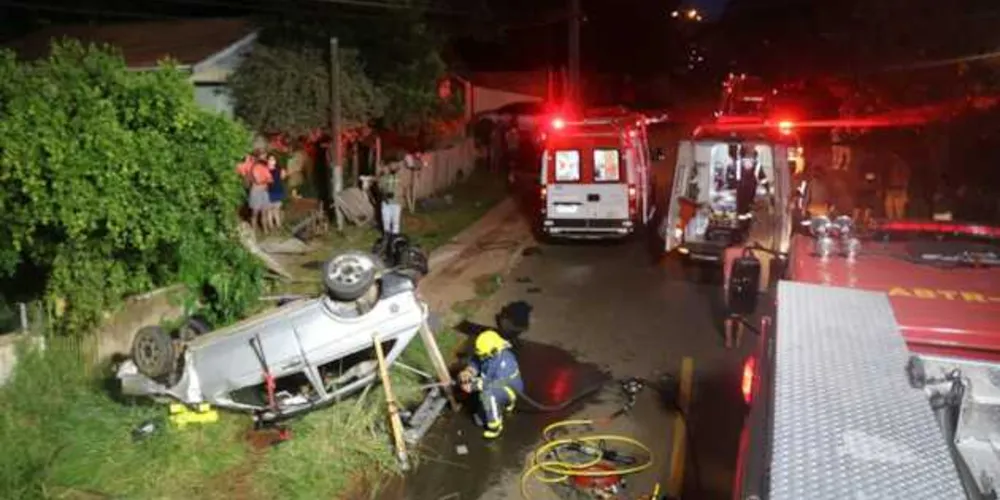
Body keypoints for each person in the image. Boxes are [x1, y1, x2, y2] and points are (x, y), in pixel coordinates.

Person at [458, 330, 524, 439]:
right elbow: (476, 362)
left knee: (487, 396)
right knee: (480, 418)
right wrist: (468, 372)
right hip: (492, 384)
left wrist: (473, 386)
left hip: (510, 388)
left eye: (483, 355)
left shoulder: (507, 362)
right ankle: (506, 405)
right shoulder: (486, 353)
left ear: (493, 351)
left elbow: (496, 383)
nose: (481, 357)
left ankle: (495, 427)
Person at [246, 158, 272, 233]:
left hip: (264, 191)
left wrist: (266, 180)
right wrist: (266, 180)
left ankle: (265, 229)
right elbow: (258, 181)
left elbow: (270, 179)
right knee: (255, 212)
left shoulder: (265, 168)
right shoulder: (255, 168)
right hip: (256, 192)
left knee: (264, 211)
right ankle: (253, 230)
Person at [377, 162, 402, 236]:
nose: (393, 167)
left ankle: (395, 235)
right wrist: (385, 194)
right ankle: (387, 235)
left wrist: (398, 194)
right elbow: (380, 188)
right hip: (386, 203)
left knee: (395, 220)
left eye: (395, 166)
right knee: (386, 220)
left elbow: (402, 187)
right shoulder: (384, 177)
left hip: (397, 202)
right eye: (391, 166)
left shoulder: (400, 177)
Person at [265, 154, 285, 233]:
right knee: (269, 210)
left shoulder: (279, 170)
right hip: (269, 192)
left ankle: (278, 225)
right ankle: (271, 226)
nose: (272, 161)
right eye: (270, 159)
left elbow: (282, 178)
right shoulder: (265, 170)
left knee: (277, 210)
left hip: (278, 191)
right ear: (267, 160)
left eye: (273, 159)